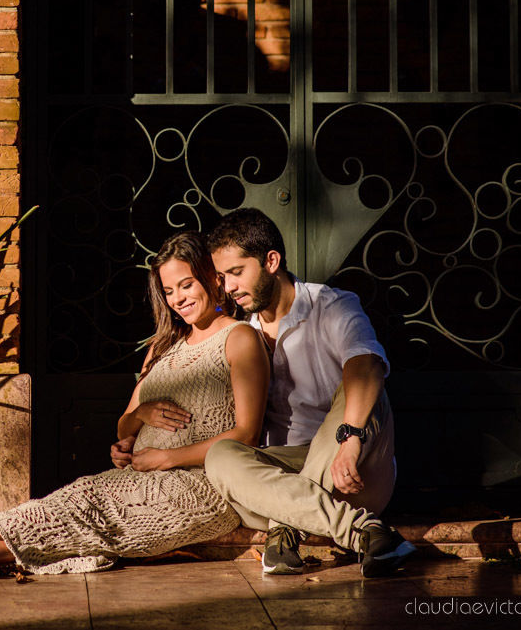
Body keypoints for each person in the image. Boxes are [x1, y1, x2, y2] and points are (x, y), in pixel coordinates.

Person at [0, 230, 271, 577]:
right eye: (169, 291)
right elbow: (123, 425)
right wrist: (139, 419)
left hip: (201, 487)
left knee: (91, 505)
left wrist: (167, 458)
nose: (179, 299)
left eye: (187, 284)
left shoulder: (239, 338)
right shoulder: (162, 346)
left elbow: (246, 435)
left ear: (213, 279)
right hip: (139, 477)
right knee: (81, 496)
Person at [113, 208, 415, 577]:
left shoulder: (331, 305)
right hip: (274, 481)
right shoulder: (240, 329)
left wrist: (350, 441)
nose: (228, 287)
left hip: (350, 469)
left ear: (271, 261)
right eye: (222, 277)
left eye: (236, 272)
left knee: (360, 383)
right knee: (221, 456)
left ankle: (285, 528)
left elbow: (365, 366)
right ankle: (365, 532)